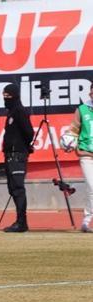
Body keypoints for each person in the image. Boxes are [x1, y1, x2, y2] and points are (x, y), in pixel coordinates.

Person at [1, 83, 34, 233]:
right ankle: (20, 220)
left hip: (17, 155)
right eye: (4, 96)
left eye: (8, 96)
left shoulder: (19, 111)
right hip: (9, 155)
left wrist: (23, 146)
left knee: (18, 188)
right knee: (13, 188)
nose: (5, 99)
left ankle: (22, 222)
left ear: (14, 96)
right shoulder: (11, 112)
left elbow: (29, 132)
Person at [64, 81, 93, 232]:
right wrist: (68, 141)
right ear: (90, 93)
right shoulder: (82, 109)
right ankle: (87, 221)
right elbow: (74, 129)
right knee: (92, 187)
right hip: (87, 154)